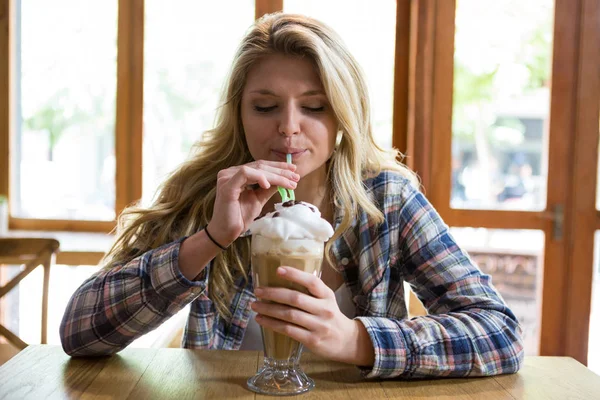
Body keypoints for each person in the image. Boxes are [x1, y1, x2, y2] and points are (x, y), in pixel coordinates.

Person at [60, 13, 524, 379]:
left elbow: (501, 333)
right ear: (239, 113)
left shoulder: (388, 199)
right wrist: (212, 238)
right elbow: (80, 333)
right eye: (265, 106)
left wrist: (356, 341)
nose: (288, 126)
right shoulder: (206, 194)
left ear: (343, 114)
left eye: (314, 106)